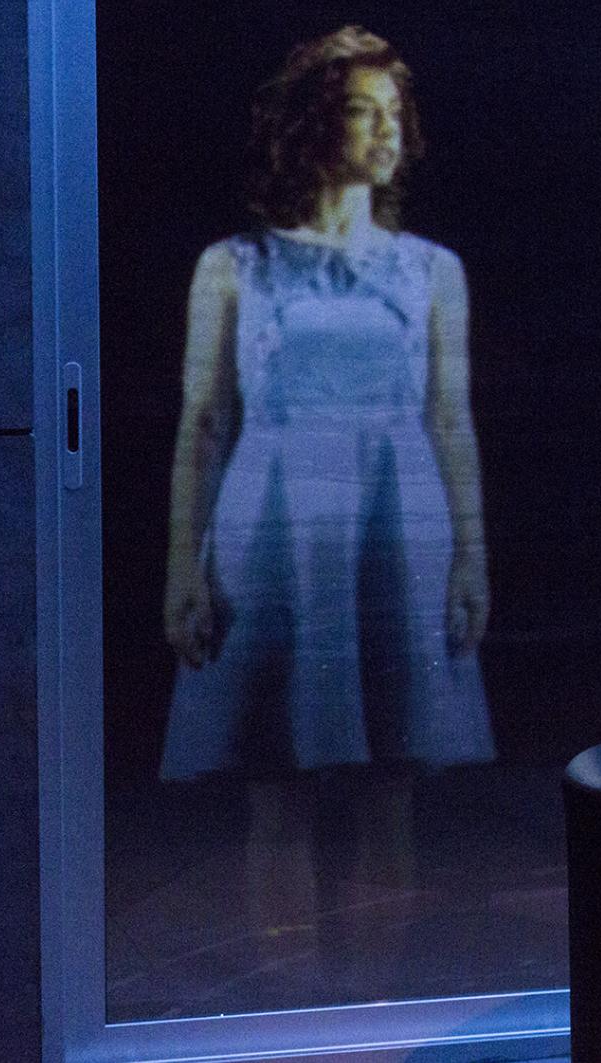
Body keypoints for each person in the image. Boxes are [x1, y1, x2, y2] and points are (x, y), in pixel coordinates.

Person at [157, 25, 495, 996]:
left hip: (396, 527)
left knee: (391, 784)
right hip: (272, 528)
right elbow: (204, 418)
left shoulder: (431, 270)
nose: (385, 130)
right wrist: (182, 566)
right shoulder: (234, 266)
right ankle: (291, 1000)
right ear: (311, 123)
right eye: (360, 109)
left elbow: (449, 416)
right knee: (278, 788)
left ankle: (371, 1006)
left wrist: (469, 556)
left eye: (394, 112)